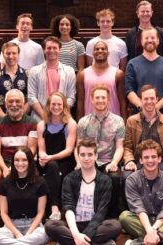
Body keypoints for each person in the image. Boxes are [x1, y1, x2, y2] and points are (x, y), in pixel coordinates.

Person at [44, 140, 121, 245]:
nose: (86, 158)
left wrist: (84, 235)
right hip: (73, 225)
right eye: (83, 155)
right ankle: (90, 241)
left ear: (96, 156)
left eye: (90, 154)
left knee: (115, 226)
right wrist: (76, 234)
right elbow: (68, 208)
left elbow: (101, 212)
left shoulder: (105, 180)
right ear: (78, 156)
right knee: (50, 225)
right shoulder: (69, 178)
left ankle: (76, 241)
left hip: (96, 225)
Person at [123, 85, 163, 208]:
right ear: (141, 100)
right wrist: (129, 161)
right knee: (126, 176)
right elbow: (128, 147)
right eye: (146, 99)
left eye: (152, 98)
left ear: (157, 99)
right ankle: (128, 213)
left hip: (159, 161)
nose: (149, 102)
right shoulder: (131, 121)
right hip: (139, 161)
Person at [119, 140, 163, 245]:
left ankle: (143, 241)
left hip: (162, 222)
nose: (150, 160)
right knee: (124, 217)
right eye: (146, 157)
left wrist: (154, 230)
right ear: (140, 160)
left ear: (159, 159)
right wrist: (150, 230)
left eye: (153, 157)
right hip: (142, 221)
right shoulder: (131, 180)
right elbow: (139, 209)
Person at [0, 89, 38, 227]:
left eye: (18, 101)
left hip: (24, 160)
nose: (14, 104)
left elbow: (32, 149)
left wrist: (18, 165)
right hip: (2, 160)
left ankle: (29, 215)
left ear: (23, 104)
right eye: (11, 101)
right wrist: (4, 168)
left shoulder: (32, 122)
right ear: (5, 104)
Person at [76, 84, 125, 218]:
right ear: (91, 99)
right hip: (88, 161)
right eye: (97, 97)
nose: (100, 100)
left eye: (103, 97)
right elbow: (78, 146)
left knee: (114, 178)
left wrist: (114, 162)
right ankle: (84, 215)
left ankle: (113, 216)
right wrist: (79, 162)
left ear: (108, 100)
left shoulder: (118, 121)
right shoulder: (83, 122)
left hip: (108, 161)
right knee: (74, 177)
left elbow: (120, 146)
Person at [0, 148, 49, 245]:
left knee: (44, 234)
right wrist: (17, 233)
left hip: (33, 225)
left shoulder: (40, 182)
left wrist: (29, 233)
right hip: (11, 226)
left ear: (30, 161)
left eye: (24, 160)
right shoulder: (5, 183)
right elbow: (3, 213)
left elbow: (40, 213)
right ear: (13, 162)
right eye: (17, 160)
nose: (20, 163)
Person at [36, 91, 77, 218]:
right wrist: (43, 156)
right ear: (48, 106)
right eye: (53, 104)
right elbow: (41, 148)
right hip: (47, 161)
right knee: (50, 167)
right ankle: (51, 209)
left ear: (64, 106)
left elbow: (69, 150)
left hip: (65, 160)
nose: (56, 107)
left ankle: (55, 208)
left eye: (59, 104)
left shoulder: (70, 124)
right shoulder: (41, 125)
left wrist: (50, 158)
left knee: (53, 166)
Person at [125, 27, 163, 114]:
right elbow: (129, 90)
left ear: (158, 41)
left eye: (152, 38)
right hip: (138, 114)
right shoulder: (132, 64)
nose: (149, 40)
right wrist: (142, 107)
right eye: (146, 38)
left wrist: (156, 108)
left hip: (161, 114)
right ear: (141, 41)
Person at [28, 36, 76, 121]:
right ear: (44, 50)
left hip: (63, 117)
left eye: (55, 48)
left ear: (59, 50)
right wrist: (44, 116)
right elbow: (31, 97)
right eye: (49, 48)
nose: (52, 51)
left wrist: (59, 115)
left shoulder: (69, 71)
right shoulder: (34, 71)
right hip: (39, 117)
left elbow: (71, 97)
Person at [77, 41, 126, 119]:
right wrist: (79, 123)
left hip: (113, 122)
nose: (100, 51)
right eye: (97, 49)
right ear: (93, 53)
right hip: (90, 122)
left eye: (103, 49)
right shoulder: (82, 75)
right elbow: (80, 102)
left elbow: (122, 101)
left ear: (108, 53)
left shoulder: (118, 74)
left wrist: (124, 122)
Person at [0, 42, 31, 118]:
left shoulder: (28, 75)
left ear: (18, 55)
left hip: (24, 122)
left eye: (14, 53)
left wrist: (19, 117)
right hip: (2, 122)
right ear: (3, 55)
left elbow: (31, 99)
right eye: (8, 53)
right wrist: (5, 119)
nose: (11, 56)